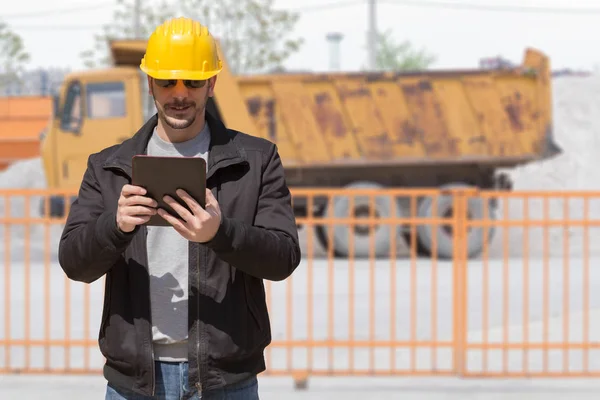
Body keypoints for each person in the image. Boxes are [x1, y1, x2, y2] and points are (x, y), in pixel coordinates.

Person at [57, 16, 301, 400]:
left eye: (193, 81)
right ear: (150, 82)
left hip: (225, 381)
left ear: (212, 84)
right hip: (135, 383)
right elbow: (73, 262)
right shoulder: (108, 166)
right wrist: (115, 227)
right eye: (168, 81)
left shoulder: (256, 160)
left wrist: (221, 234)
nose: (180, 93)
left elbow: (284, 257)